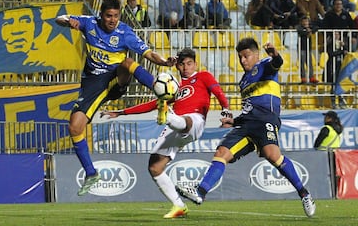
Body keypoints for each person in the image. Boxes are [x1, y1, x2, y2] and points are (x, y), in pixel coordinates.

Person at [176, 37, 316, 218]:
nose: (243, 61)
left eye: (247, 56)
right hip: (247, 124)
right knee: (221, 153)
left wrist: (274, 54)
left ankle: (304, 194)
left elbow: (277, 63)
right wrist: (233, 122)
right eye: (240, 57)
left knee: (272, 156)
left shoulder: (265, 65)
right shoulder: (243, 81)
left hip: (265, 119)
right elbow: (249, 109)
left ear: (256, 55)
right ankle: (200, 192)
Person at [55, 0, 176, 196]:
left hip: (116, 79)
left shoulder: (125, 33)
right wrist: (70, 23)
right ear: (101, 15)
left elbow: (149, 54)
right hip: (92, 83)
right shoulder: (89, 23)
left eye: (116, 16)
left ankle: (158, 91)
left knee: (127, 61)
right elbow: (59, 18)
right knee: (74, 126)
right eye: (109, 16)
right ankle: (91, 173)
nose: (112, 20)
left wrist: (164, 63)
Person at [102, 48, 231, 218]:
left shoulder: (203, 76)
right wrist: (120, 112)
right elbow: (149, 105)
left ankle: (167, 116)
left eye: (189, 64)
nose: (186, 67)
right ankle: (179, 206)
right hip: (176, 126)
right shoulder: (173, 87)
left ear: (195, 64)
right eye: (182, 64)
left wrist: (226, 109)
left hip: (195, 120)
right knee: (154, 167)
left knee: (186, 121)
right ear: (177, 66)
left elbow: (217, 91)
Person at [0, 6, 55, 73]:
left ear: (37, 28)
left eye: (25, 21)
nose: (17, 30)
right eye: (7, 23)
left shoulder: (43, 69)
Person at [324, 32, 348, 108]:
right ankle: (333, 101)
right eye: (335, 34)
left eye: (338, 34)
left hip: (340, 66)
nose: (337, 36)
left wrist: (344, 46)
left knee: (340, 84)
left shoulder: (341, 44)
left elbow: (347, 52)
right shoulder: (330, 44)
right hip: (332, 66)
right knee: (333, 84)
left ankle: (341, 101)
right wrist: (341, 51)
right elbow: (330, 53)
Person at [296, 16, 319, 83]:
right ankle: (303, 78)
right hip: (301, 48)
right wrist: (307, 31)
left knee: (310, 63)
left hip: (308, 48)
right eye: (304, 21)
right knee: (302, 63)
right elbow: (300, 31)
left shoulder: (310, 27)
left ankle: (311, 77)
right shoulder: (299, 27)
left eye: (306, 21)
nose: (305, 23)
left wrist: (310, 30)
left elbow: (317, 28)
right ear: (301, 22)